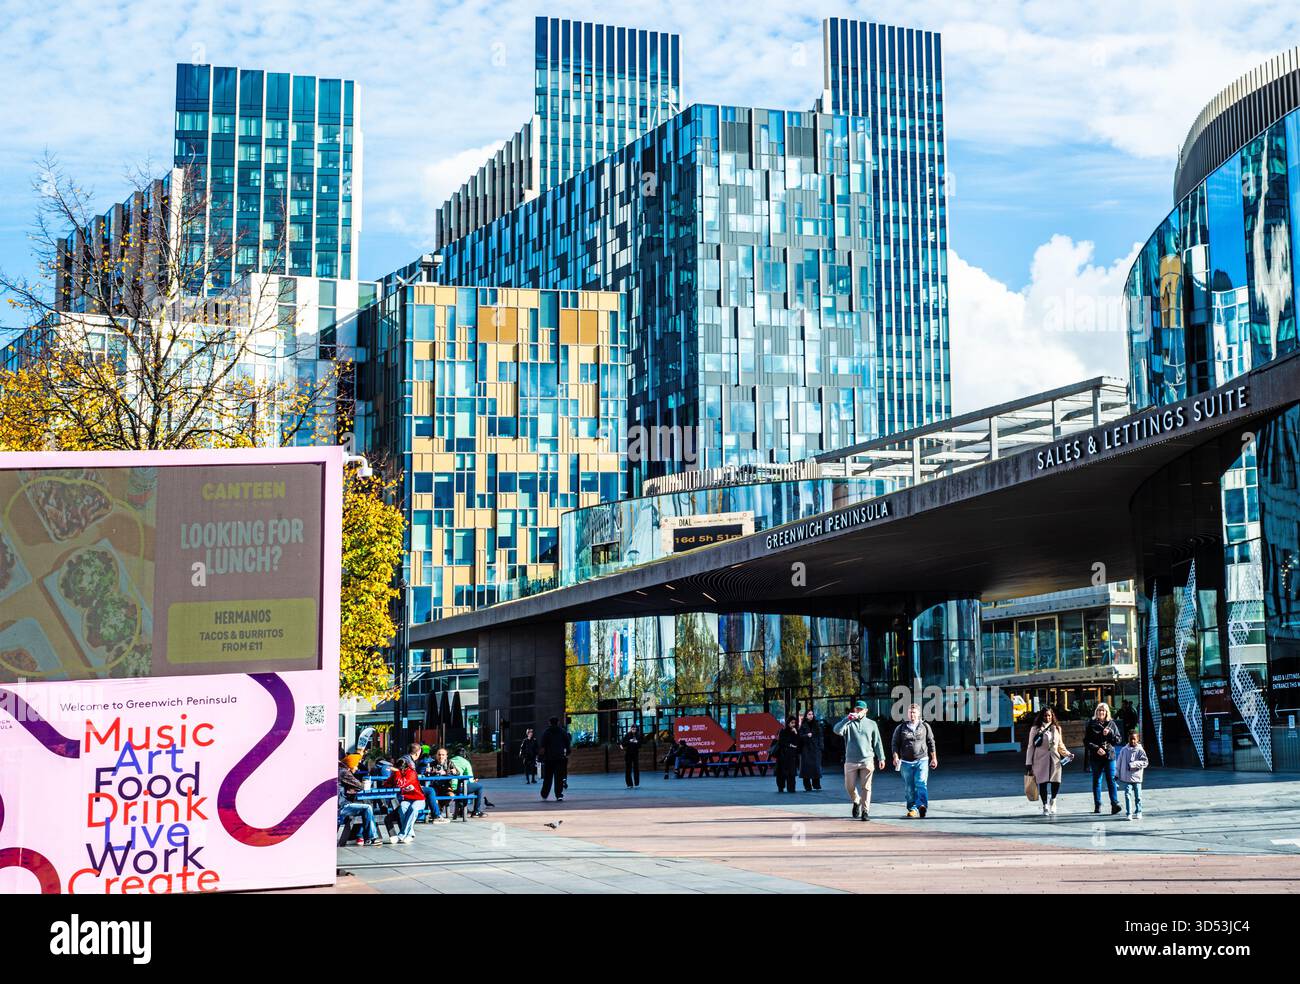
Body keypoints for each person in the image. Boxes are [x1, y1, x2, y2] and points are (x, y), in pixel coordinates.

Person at [832, 701, 887, 821]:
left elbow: (877, 742)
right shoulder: (848, 723)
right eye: (856, 709)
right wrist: (847, 719)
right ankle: (856, 800)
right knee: (849, 786)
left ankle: (865, 811)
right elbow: (836, 730)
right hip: (851, 760)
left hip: (867, 760)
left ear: (866, 711)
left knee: (866, 787)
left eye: (861, 709)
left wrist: (881, 757)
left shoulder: (872, 724)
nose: (858, 711)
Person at [891, 704, 938, 818]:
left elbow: (931, 742)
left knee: (921, 783)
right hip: (906, 762)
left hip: (922, 759)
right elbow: (895, 743)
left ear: (918, 714)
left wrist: (934, 758)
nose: (912, 714)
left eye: (914, 712)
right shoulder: (901, 727)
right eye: (910, 712)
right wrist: (895, 757)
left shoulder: (925, 726)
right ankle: (912, 808)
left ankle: (922, 805)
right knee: (909, 787)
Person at [1025, 707, 1070, 816]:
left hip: (1055, 758)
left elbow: (1060, 745)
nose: (1048, 717)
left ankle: (1053, 800)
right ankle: (1045, 805)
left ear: (1052, 716)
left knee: (1056, 781)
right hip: (1040, 758)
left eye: (1049, 715)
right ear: (1042, 716)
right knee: (1043, 782)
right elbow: (1031, 746)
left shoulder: (1057, 728)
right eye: (1045, 715)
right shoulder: (1035, 729)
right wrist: (1028, 762)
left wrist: (1068, 754)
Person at [1085, 702, 1124, 815]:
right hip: (1096, 757)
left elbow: (1118, 740)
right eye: (1099, 710)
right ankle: (1098, 804)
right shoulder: (1091, 724)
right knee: (1097, 781)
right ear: (1096, 712)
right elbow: (1086, 741)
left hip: (1109, 756)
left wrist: (1110, 733)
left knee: (1111, 780)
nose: (1101, 712)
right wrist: (1096, 748)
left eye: (1103, 710)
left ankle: (1114, 804)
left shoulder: (1111, 724)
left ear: (1107, 712)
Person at [337, 752, 383, 846]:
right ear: (351, 765)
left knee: (365, 809)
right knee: (367, 808)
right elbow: (360, 786)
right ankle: (370, 837)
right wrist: (362, 784)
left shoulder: (339, 770)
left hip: (338, 804)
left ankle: (358, 836)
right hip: (341, 806)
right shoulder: (345, 772)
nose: (357, 768)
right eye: (356, 765)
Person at [385, 755, 426, 843]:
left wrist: (397, 772)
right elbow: (388, 782)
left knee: (413, 809)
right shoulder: (398, 772)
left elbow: (401, 784)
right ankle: (410, 834)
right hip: (407, 799)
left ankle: (402, 835)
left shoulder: (412, 773)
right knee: (402, 808)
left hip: (419, 799)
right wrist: (389, 782)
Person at [1115, 729, 1149, 819]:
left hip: (1137, 778)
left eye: (1134, 739)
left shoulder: (1140, 750)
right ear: (1128, 739)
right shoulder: (1124, 750)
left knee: (1138, 796)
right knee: (1127, 794)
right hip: (1126, 778)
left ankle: (1139, 811)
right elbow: (1118, 763)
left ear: (1138, 739)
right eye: (1131, 739)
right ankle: (1129, 813)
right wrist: (1116, 774)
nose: (1132, 741)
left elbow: (1145, 762)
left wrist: (1134, 764)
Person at [449, 746, 489, 817]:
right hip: (459, 787)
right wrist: (473, 781)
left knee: (464, 788)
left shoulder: (450, 760)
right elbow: (470, 779)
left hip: (449, 787)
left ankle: (461, 809)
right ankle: (476, 811)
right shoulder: (466, 762)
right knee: (479, 787)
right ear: (464, 755)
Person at [539, 716, 571, 801]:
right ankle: (558, 795)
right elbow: (567, 743)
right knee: (559, 778)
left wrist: (541, 757)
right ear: (558, 722)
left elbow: (542, 746)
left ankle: (544, 794)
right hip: (560, 758)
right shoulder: (562, 732)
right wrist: (567, 752)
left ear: (549, 723)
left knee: (547, 778)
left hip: (548, 759)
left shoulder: (546, 732)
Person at [798, 710, 824, 791]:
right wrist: (806, 735)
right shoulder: (803, 725)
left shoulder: (817, 724)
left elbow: (820, 736)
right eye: (809, 714)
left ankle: (816, 785)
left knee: (816, 767)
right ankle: (807, 786)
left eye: (812, 714)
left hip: (815, 748)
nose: (811, 715)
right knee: (806, 768)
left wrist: (820, 747)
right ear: (806, 716)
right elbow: (799, 737)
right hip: (806, 749)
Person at [775, 716, 801, 794]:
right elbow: (781, 742)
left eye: (794, 723)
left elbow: (798, 742)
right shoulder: (783, 731)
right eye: (791, 723)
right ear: (788, 723)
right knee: (781, 773)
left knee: (791, 773)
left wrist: (796, 733)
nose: (793, 724)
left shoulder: (795, 731)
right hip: (783, 755)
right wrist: (790, 745)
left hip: (792, 756)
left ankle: (791, 788)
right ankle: (781, 787)